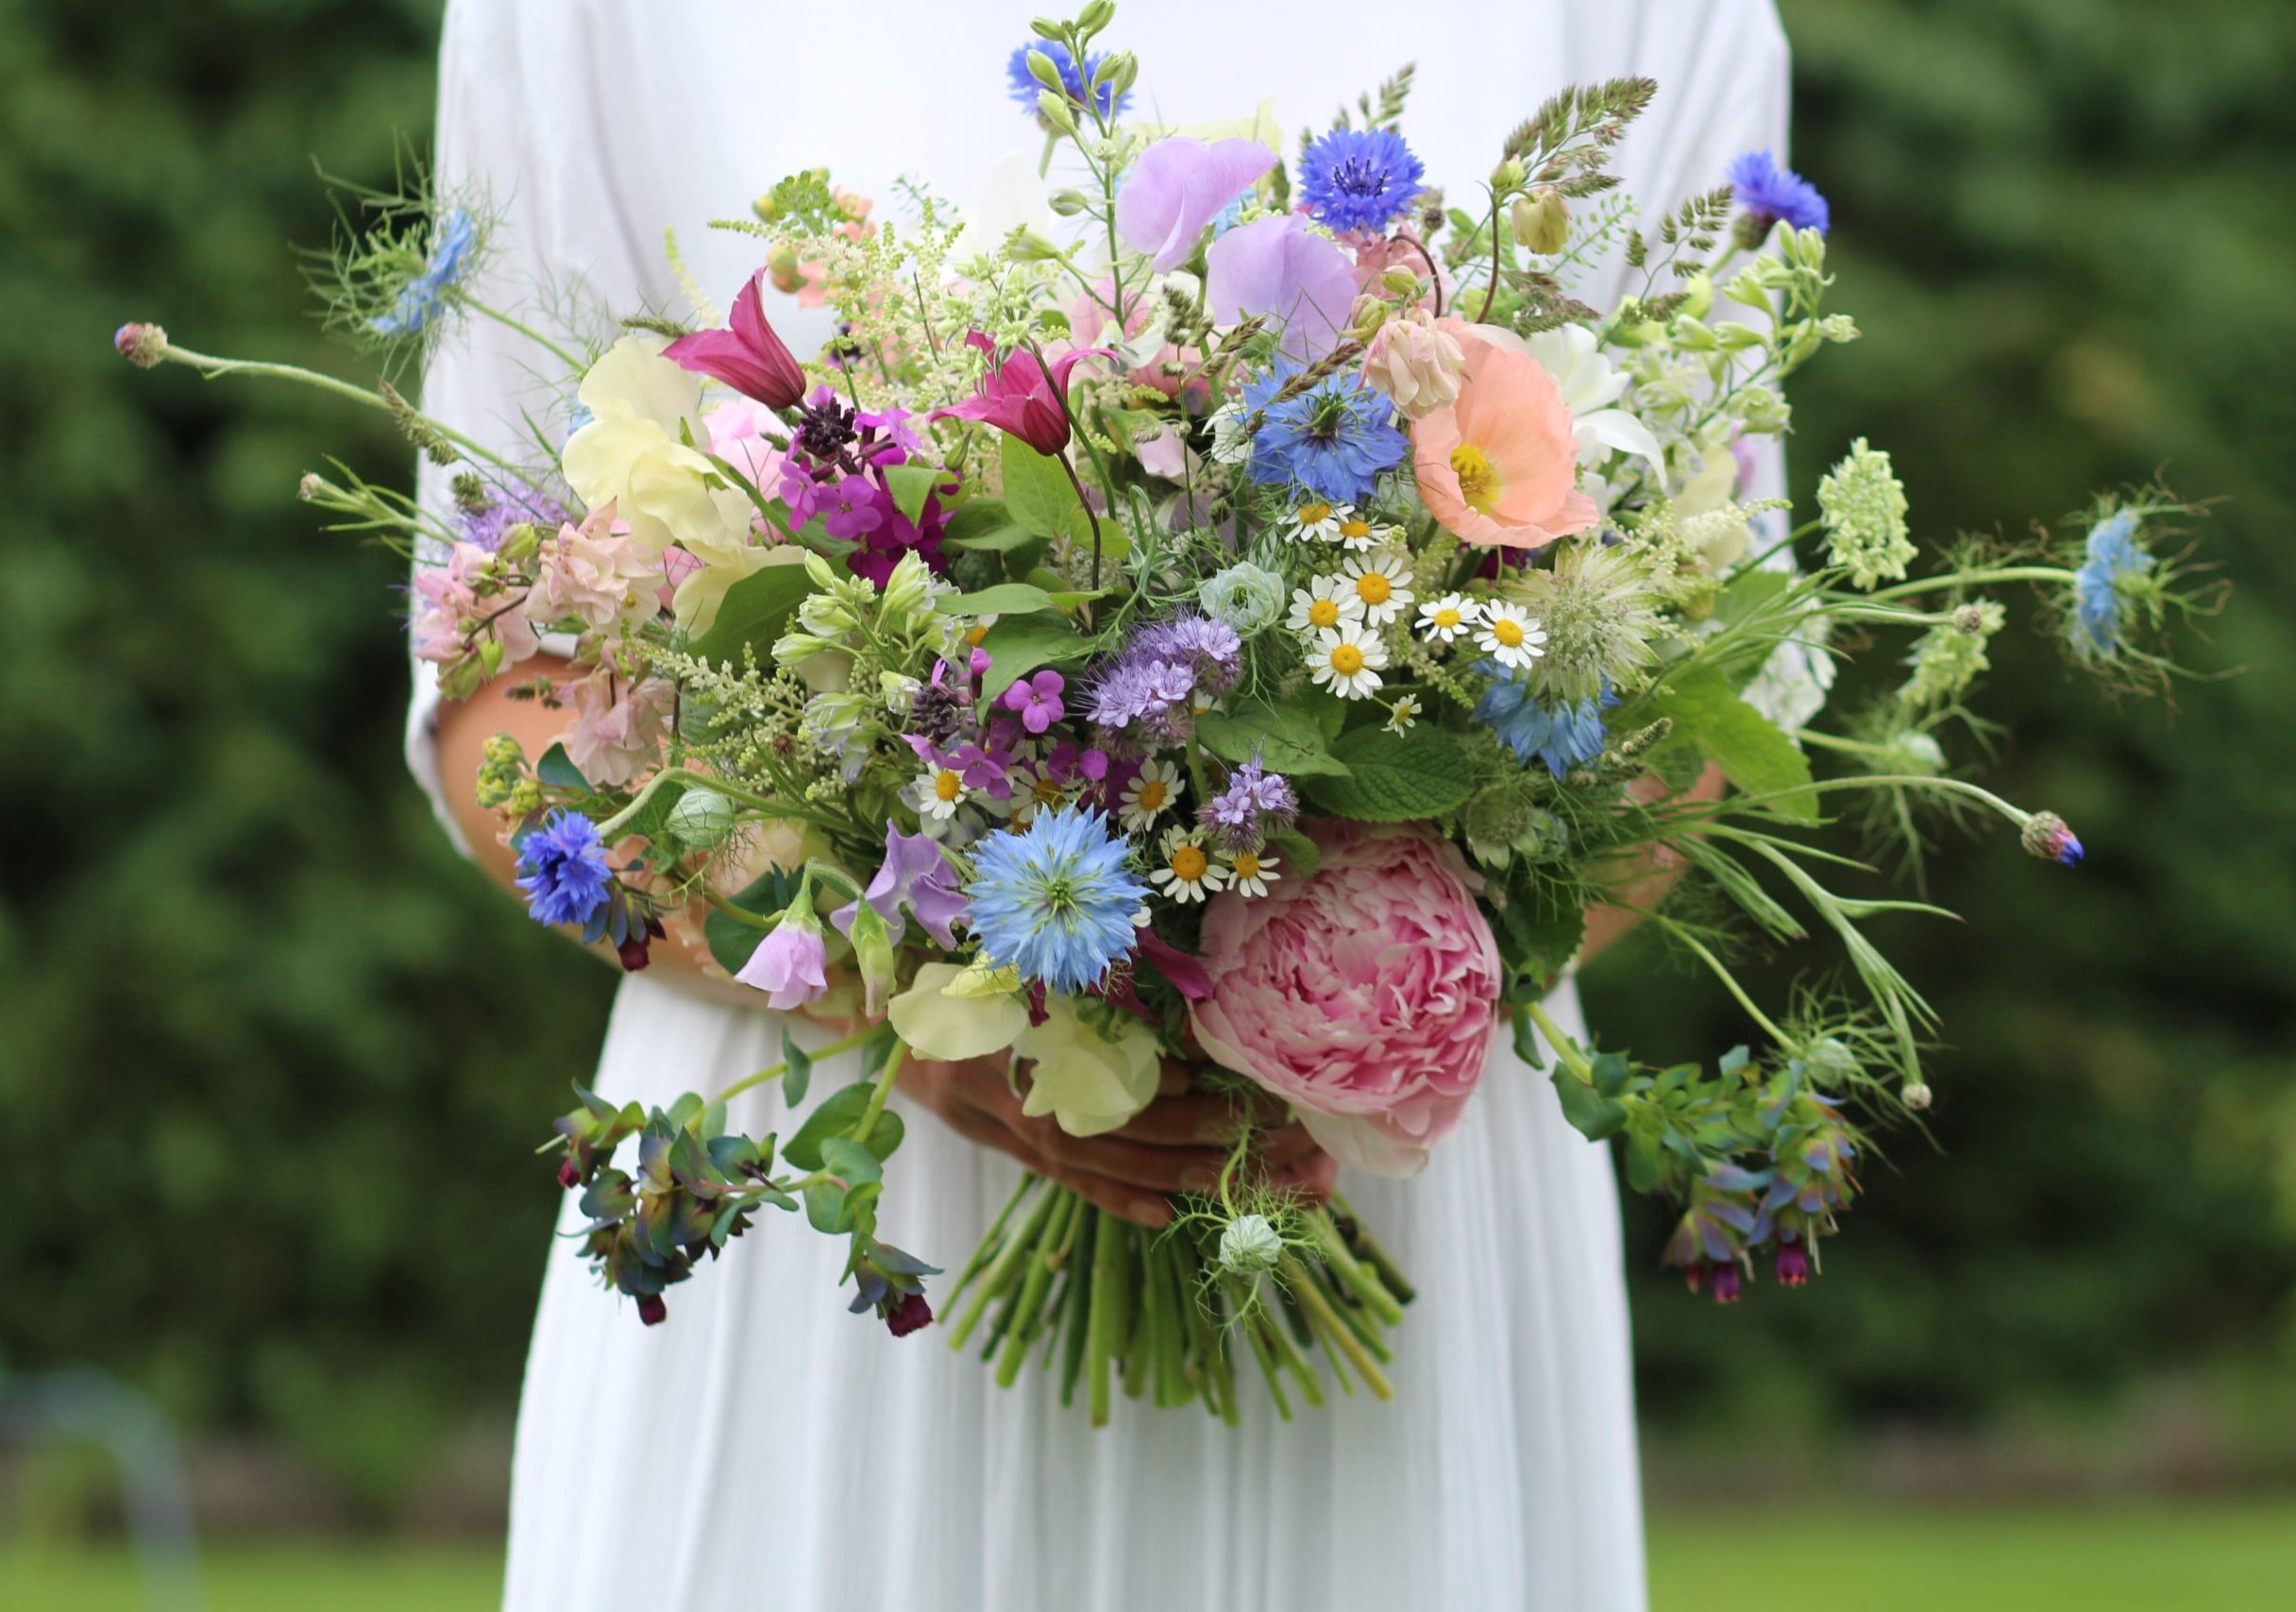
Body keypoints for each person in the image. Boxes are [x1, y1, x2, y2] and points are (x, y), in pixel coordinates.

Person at [410, 3, 1792, 1606]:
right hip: (844, 1232)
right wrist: (921, 1005)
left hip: (1386, 1180)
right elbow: (502, 704)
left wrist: (1325, 1031)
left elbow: (1708, 679)